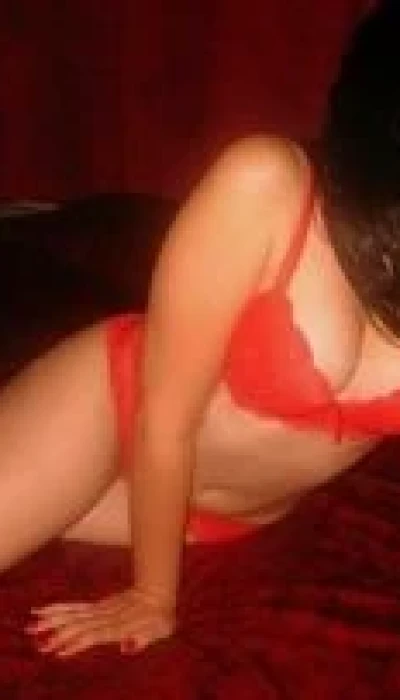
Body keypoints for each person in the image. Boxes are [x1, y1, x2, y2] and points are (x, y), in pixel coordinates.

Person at [3, 0, 400, 657]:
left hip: (226, 520)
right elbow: (165, 412)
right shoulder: (265, 183)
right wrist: (152, 598)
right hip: (113, 416)